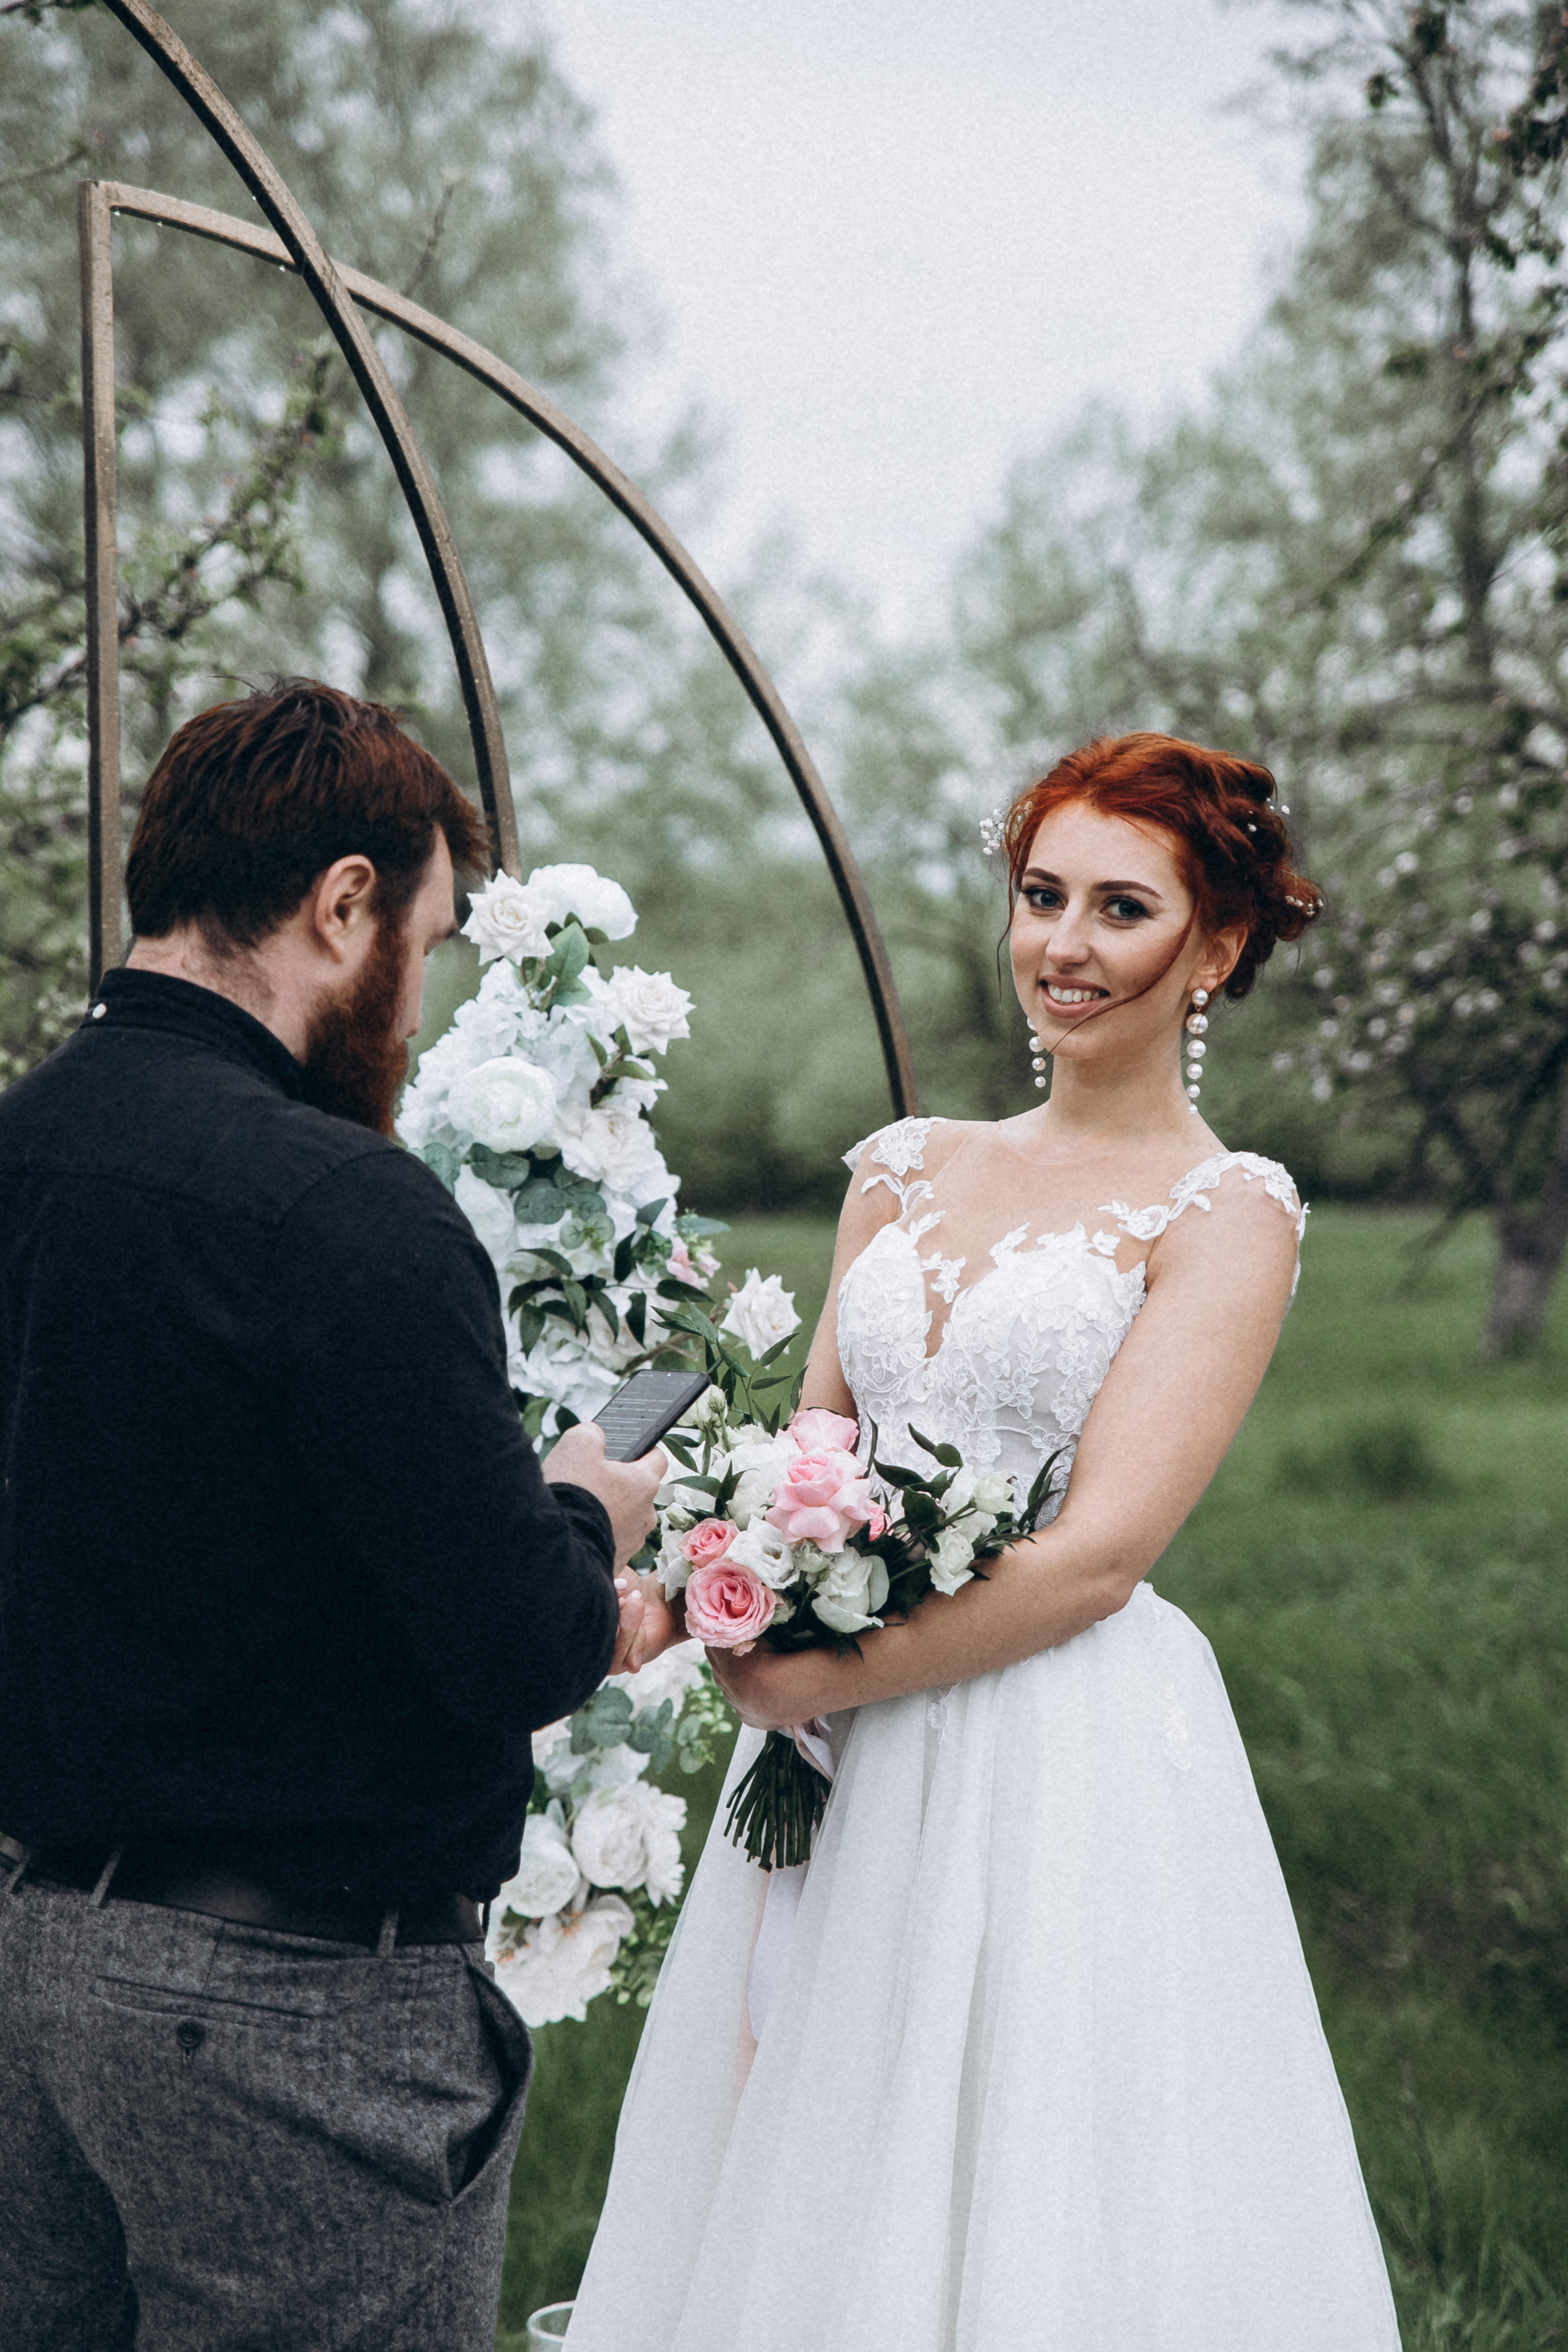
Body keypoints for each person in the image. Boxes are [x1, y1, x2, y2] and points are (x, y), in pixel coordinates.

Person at [567, 733, 1402, 2351]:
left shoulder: (1226, 1214)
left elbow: (1100, 1555)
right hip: (827, 1741)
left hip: (1051, 1746)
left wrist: (815, 1669)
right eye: (1041, 896)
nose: (1063, 947)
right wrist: (732, 1598)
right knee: (801, 2139)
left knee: (1025, 2176)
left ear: (1214, 949)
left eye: (1119, 908)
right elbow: (812, 1444)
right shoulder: (905, 1169)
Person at [0, 680, 666, 2352]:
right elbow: (514, 1642)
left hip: (33, 1972)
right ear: (344, 903)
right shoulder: (346, 1210)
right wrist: (589, 1514)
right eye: (423, 944)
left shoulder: (21, 1151)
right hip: (291, 2009)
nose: (417, 998)